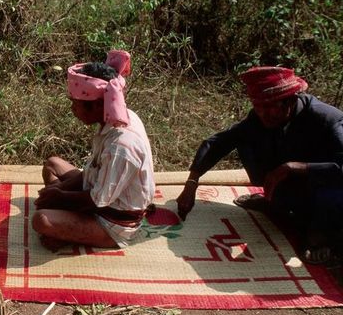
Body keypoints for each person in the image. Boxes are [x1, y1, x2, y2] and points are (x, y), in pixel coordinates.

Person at [176, 66, 343, 264]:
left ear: (289, 100)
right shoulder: (261, 117)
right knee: (246, 138)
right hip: (296, 186)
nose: (263, 113)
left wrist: (294, 167)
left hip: (327, 190)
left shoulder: (328, 119)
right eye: (257, 106)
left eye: (270, 106)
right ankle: (278, 204)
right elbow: (218, 142)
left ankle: (324, 238)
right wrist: (192, 181)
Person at [32, 50, 155, 248]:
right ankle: (64, 225)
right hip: (99, 193)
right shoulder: (116, 118)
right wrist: (60, 190)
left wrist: (60, 197)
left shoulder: (121, 146)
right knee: (52, 165)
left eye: (76, 104)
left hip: (113, 221)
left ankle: (66, 229)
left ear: (98, 104)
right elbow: (93, 170)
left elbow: (98, 200)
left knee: (41, 220)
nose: (73, 109)